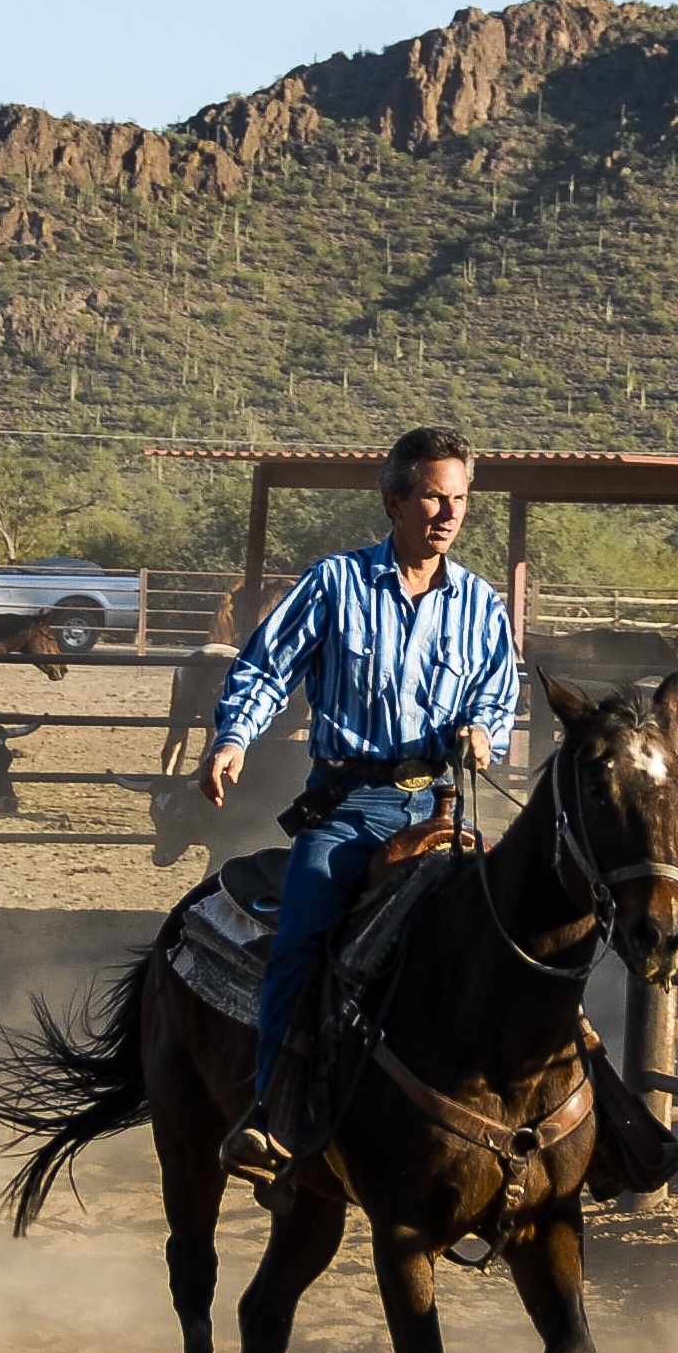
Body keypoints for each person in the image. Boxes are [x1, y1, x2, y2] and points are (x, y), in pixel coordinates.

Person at [197, 424, 519, 1195]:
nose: (447, 514)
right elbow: (268, 666)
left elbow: (496, 695)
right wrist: (233, 738)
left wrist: (482, 731)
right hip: (347, 806)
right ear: (394, 500)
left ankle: (572, 1110)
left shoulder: (480, 604)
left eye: (459, 500)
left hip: (438, 803)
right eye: (433, 497)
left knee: (514, 927)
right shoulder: (335, 584)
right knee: (305, 931)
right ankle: (274, 1110)